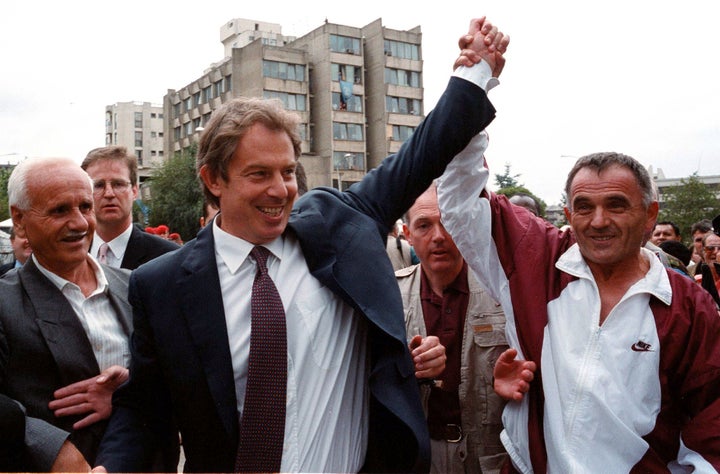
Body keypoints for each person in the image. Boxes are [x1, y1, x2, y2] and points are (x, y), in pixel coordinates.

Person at [93, 18, 509, 473]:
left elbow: (421, 153)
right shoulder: (163, 285)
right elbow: (144, 409)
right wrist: (108, 467)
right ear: (213, 180)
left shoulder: (340, 227)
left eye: (287, 172)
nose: (280, 190)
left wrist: (475, 74)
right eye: (259, 174)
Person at [437, 122, 720, 471]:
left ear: (650, 215)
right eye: (584, 207)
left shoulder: (689, 307)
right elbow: (461, 201)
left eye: (616, 205)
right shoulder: (537, 260)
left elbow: (711, 421)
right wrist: (474, 85)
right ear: (569, 214)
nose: (598, 221)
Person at [0, 157, 177, 471]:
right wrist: (54, 450)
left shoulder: (136, 287)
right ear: (20, 219)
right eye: (59, 210)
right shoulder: (5, 301)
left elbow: (180, 378)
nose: (80, 223)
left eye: (85, 206)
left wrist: (127, 393)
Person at [397, 183, 508, 473]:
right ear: (407, 235)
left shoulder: (501, 291)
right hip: (417, 457)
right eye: (424, 225)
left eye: (448, 222)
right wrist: (405, 366)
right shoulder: (389, 296)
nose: (439, 236)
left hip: (489, 457)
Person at [81, 146, 178, 270]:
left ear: (134, 191)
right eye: (98, 185)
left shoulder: (168, 257)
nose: (109, 193)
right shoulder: (69, 254)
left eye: (118, 184)